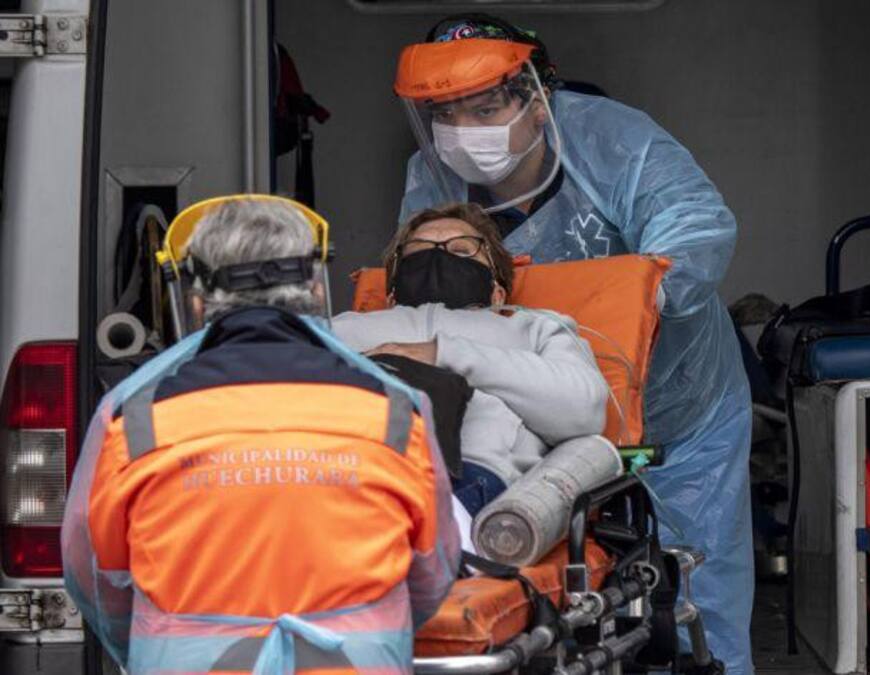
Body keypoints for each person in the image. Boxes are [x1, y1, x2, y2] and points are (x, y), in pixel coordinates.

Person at [392, 14, 755, 673]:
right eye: (446, 112)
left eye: (486, 106)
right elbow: (420, 290)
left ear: (537, 94)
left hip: (676, 410)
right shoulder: (433, 176)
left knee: (697, 591)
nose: (466, 132)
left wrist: (619, 314)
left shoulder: (614, 142)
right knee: (552, 602)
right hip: (538, 422)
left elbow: (697, 233)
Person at [61, 196, 459, 674]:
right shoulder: (396, 411)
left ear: (195, 301)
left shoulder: (134, 418)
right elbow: (431, 573)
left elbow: (97, 580)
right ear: (315, 288)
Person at [332, 202, 609, 516]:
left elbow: (582, 409)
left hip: (469, 479)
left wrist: (444, 354)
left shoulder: (534, 328)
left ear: (497, 294)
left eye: (462, 251)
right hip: (341, 469)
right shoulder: (338, 329)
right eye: (419, 253)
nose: (439, 257)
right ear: (391, 296)